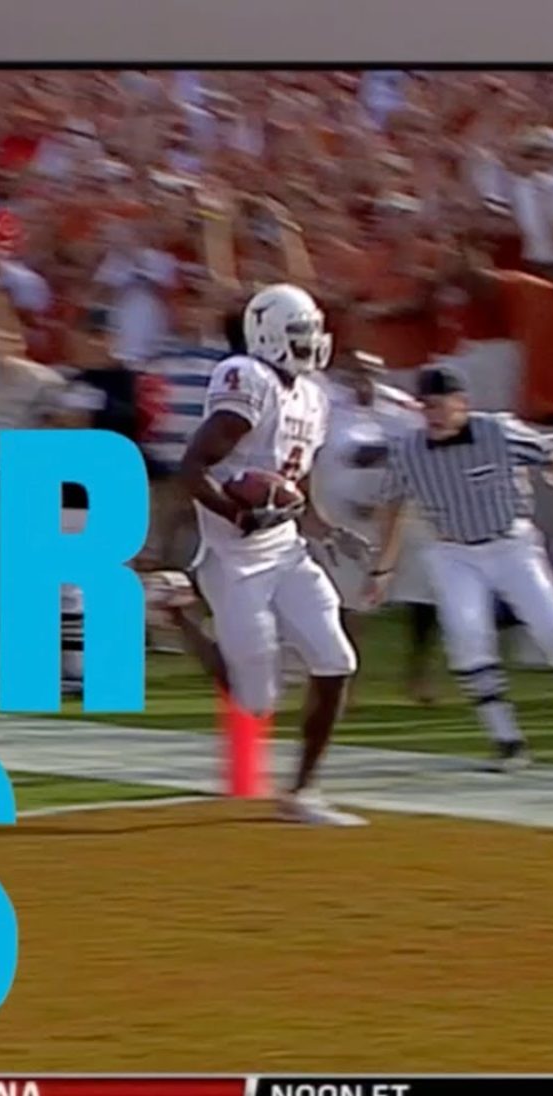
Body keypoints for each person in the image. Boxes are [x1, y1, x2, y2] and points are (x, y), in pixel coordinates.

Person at [368, 366, 553, 771]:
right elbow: (391, 506)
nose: (433, 415)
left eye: (440, 405)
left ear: (461, 404)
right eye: (426, 406)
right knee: (467, 636)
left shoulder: (498, 431)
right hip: (453, 550)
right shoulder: (409, 450)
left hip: (510, 544)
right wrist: (382, 569)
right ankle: (506, 739)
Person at [170, 283, 372, 826]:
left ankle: (302, 792)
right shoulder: (248, 379)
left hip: (285, 548)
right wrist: (237, 514)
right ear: (268, 334)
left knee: (337, 659)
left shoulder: (313, 396)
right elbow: (192, 467)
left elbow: (292, 485)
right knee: (254, 699)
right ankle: (175, 615)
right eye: (300, 332)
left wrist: (327, 529)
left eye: (314, 330)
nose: (313, 341)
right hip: (232, 555)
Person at [307, 351, 434, 702]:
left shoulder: (401, 409)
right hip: (344, 515)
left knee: (422, 594)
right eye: (355, 371)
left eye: (369, 371)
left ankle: (418, 675)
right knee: (347, 600)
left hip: (398, 516)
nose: (362, 378)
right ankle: (347, 680)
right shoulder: (326, 406)